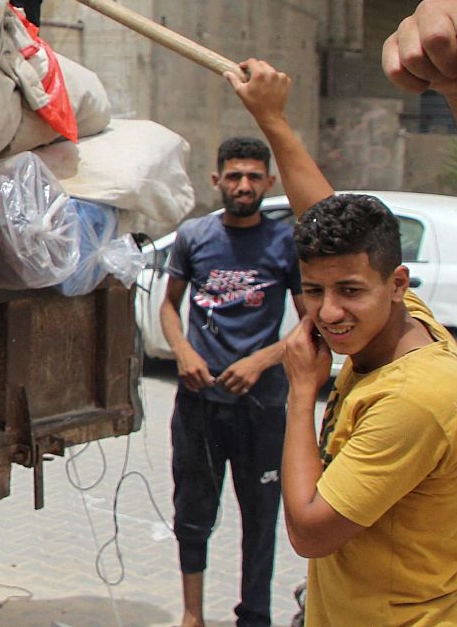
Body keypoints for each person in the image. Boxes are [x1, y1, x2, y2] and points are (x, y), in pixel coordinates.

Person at [227, 59, 457, 626]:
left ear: (396, 282)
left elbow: (309, 531)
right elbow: (323, 212)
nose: (329, 313)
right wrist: (273, 120)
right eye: (312, 290)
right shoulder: (401, 318)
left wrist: (303, 390)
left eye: (349, 291)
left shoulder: (416, 400)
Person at [161, 138, 301, 627]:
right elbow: (168, 305)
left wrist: (262, 360)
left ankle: (255, 617)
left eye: (254, 176)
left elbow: (310, 325)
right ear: (216, 180)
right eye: (235, 176)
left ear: (269, 182)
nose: (244, 185)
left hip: (260, 407)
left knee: (261, 518)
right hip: (199, 404)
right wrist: (183, 352)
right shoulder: (194, 236)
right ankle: (192, 614)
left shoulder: (286, 244)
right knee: (192, 513)